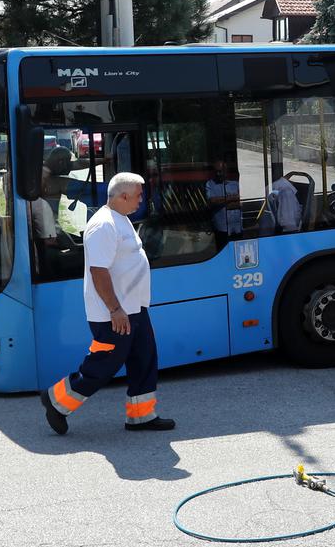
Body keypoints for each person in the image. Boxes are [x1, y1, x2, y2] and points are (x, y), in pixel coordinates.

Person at [39, 172, 175, 435]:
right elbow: (98, 272)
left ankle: (141, 416)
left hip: (133, 308)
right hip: (114, 313)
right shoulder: (104, 225)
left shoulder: (120, 219)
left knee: (144, 359)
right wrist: (115, 309)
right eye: (138, 196)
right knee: (104, 365)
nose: (141, 201)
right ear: (123, 196)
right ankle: (56, 401)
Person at [206, 159, 242, 238]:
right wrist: (232, 198)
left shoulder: (235, 184)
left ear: (226, 171)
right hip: (221, 227)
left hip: (237, 226)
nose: (218, 174)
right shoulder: (210, 184)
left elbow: (242, 200)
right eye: (216, 171)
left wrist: (223, 201)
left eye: (220, 171)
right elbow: (212, 201)